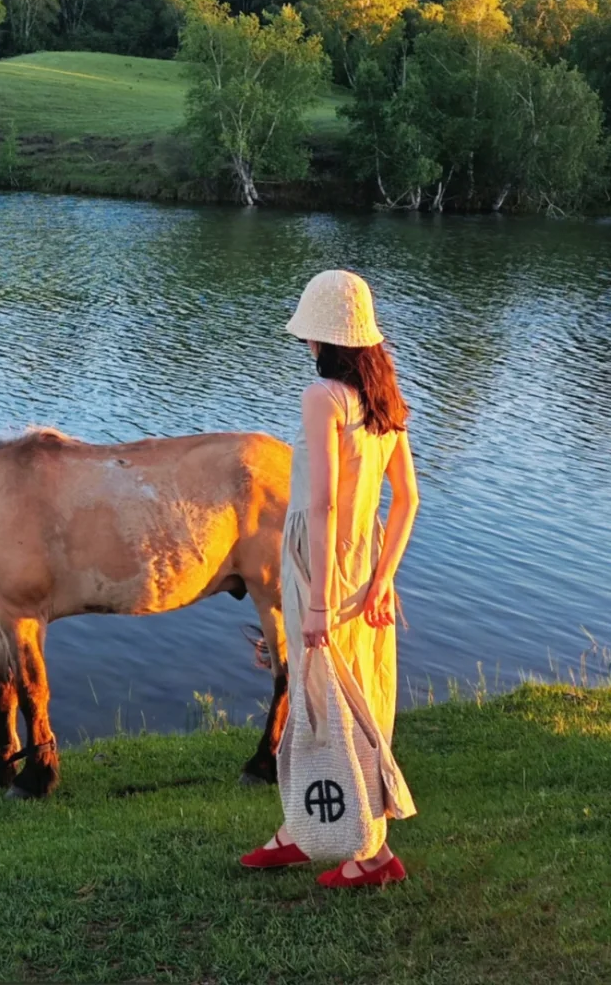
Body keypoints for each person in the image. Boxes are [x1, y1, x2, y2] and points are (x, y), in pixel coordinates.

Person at [240, 269, 420, 888]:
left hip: (319, 560)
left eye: (309, 337)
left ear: (323, 340)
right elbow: (407, 502)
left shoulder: (323, 399)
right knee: (350, 694)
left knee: (328, 702)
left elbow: (322, 505)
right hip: (365, 560)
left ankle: (369, 853)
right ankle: (300, 830)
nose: (307, 348)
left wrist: (316, 604)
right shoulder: (383, 402)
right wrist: (383, 577)